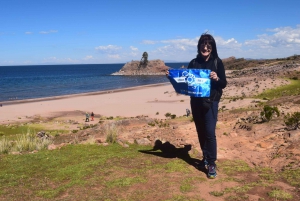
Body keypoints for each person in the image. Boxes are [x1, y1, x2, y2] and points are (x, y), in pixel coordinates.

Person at [166, 33, 227, 179]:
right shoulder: (193, 63)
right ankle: (205, 158)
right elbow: (185, 81)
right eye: (203, 45)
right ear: (199, 46)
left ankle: (212, 163)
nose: (205, 48)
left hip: (211, 102)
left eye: (208, 45)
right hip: (196, 102)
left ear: (212, 48)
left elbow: (223, 83)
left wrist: (216, 78)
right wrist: (171, 77)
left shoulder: (217, 62)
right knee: (200, 131)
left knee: (210, 132)